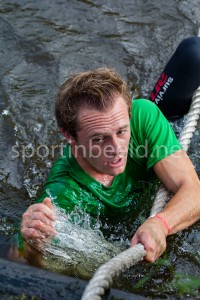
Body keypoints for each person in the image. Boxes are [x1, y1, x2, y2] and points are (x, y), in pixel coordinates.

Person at [21, 37, 200, 263]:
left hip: (156, 131)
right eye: (99, 139)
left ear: (129, 114)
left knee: (193, 53)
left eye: (122, 132)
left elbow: (194, 191)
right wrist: (33, 244)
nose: (116, 149)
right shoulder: (64, 193)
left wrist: (161, 224)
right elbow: (19, 262)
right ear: (69, 136)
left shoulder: (143, 115)